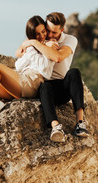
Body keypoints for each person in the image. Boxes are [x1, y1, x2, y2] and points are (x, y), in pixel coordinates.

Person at [17, 12, 89, 143]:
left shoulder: (70, 40)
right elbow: (19, 52)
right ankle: (55, 127)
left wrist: (38, 44)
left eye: (54, 33)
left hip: (62, 87)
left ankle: (80, 123)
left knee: (74, 72)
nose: (49, 35)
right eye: (48, 30)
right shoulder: (41, 38)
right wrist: (34, 42)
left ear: (62, 30)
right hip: (45, 89)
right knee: (45, 86)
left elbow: (58, 57)